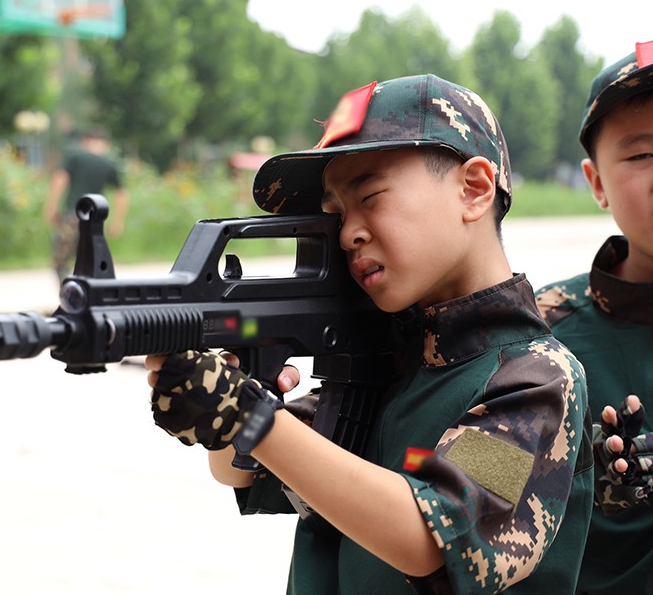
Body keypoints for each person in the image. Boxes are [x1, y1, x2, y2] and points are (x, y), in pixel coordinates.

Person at [145, 74, 593, 593]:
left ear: (473, 189)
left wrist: (248, 416)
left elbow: (429, 537)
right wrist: (219, 408)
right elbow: (243, 472)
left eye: (371, 197)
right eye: (335, 213)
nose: (347, 232)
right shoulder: (392, 358)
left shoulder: (534, 379)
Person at [534, 41, 653, 594]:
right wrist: (569, 476)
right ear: (597, 181)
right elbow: (452, 479)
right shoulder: (536, 337)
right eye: (642, 155)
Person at [44, 127, 128, 283]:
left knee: (61, 258)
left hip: (73, 216)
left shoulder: (75, 156)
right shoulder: (110, 163)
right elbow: (121, 194)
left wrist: (51, 207)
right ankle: (95, 292)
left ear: (85, 142)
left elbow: (60, 179)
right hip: (96, 220)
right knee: (94, 258)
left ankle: (69, 294)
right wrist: (117, 222)